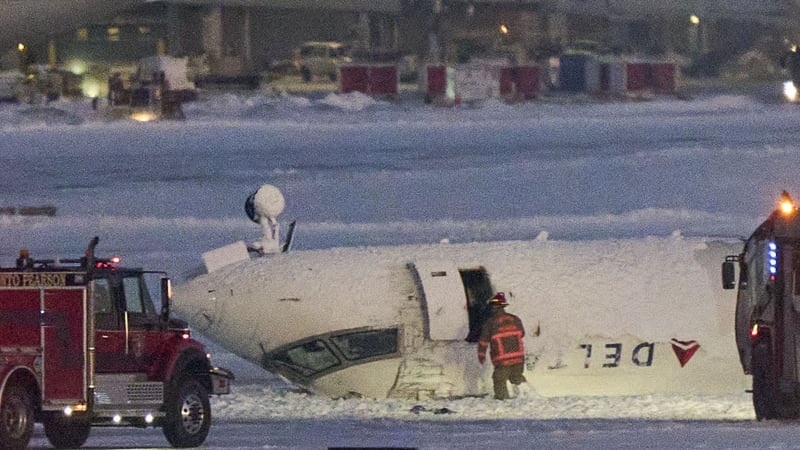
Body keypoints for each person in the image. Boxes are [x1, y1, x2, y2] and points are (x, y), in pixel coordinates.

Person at [477, 292, 528, 400]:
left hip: (502, 358)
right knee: (516, 377)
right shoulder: (515, 319)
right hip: (519, 357)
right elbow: (522, 333)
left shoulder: (490, 323)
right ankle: (527, 395)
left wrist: (481, 356)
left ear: (495, 307)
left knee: (499, 379)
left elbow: (483, 342)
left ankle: (502, 400)